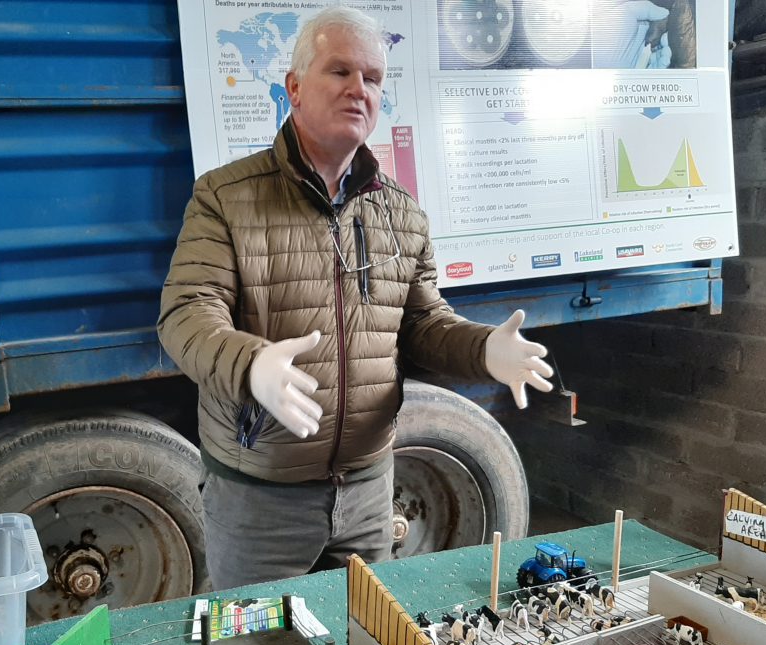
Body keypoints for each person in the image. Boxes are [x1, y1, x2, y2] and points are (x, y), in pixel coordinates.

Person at [158, 7, 553, 590]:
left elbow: (422, 325)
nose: (358, 89)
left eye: (372, 77)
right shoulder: (225, 196)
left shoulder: (401, 213)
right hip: (260, 499)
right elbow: (187, 311)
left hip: (369, 493)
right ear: (293, 88)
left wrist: (485, 350)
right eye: (339, 71)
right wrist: (251, 363)